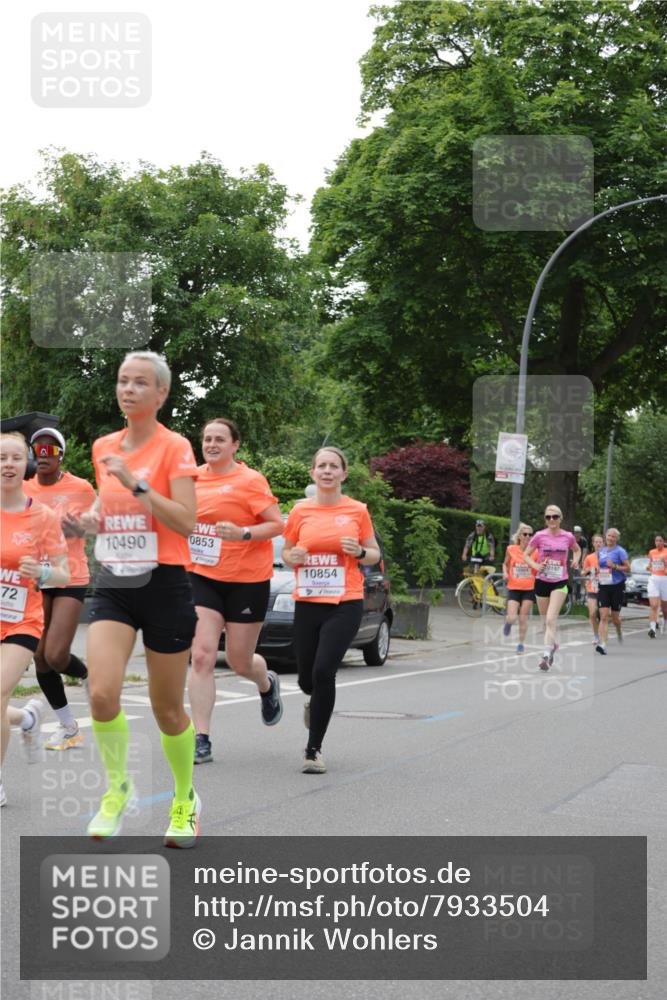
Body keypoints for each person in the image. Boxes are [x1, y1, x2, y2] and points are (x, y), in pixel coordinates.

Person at [81, 351, 201, 847]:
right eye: (122, 381)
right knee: (102, 693)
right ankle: (118, 787)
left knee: (167, 708)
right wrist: (92, 514)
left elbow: (185, 521)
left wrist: (137, 482)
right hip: (114, 581)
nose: (127, 389)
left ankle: (185, 799)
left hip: (165, 582)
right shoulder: (104, 445)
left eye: (140, 383)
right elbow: (104, 501)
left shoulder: (175, 447)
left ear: (161, 394)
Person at [187, 418, 284, 765]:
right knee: (201, 655)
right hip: (202, 576)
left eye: (219, 439)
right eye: (207, 439)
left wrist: (243, 533)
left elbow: (277, 524)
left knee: (240, 661)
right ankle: (201, 738)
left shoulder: (250, 480)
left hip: (246, 579)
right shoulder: (191, 478)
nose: (211, 444)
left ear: (235, 445)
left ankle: (266, 683)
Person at [281, 447, 380, 774]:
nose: (326, 470)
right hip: (308, 601)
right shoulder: (299, 512)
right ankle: (314, 700)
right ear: (312, 473)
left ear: (343, 473)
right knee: (307, 679)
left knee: (325, 671)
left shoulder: (357, 510)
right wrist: (293, 556)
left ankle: (313, 750)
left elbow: (374, 555)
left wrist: (361, 550)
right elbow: (286, 553)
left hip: (345, 601)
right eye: (321, 466)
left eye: (333, 466)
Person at [1, 433, 70, 806]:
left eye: (15, 457)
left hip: (20, 621)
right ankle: (27, 719)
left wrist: (40, 573)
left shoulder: (41, 516)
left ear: (24, 464)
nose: (7, 464)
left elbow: (63, 573)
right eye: (1, 458)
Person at [24, 427, 96, 750]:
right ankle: (68, 727)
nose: (43, 454)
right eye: (37, 448)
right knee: (39, 657)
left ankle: (87, 675)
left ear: (61, 455)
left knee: (55, 653)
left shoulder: (80, 488)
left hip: (71, 574)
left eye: (50, 450)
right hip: (37, 576)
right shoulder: (21, 488)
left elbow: (101, 520)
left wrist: (82, 526)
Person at [531, 505, 581, 672]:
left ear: (560, 518)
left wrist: (576, 559)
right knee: (545, 622)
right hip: (542, 581)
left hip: (560, 581)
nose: (551, 520)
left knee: (551, 620)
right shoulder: (539, 536)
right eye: (548, 517)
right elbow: (525, 554)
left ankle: (546, 656)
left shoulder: (568, 536)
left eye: (554, 517)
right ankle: (552, 645)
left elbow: (577, 549)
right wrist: (535, 565)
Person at [501, 523, 539, 653]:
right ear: (520, 536)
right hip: (514, 587)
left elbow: (539, 566)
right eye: (525, 534)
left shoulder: (536, 551)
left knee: (523, 617)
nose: (528, 536)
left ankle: (521, 644)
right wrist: (505, 573)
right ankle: (508, 623)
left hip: (529, 588)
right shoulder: (511, 549)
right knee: (512, 617)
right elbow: (505, 564)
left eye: (530, 534)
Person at [595, 528, 629, 655]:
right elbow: (600, 565)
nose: (610, 538)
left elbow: (627, 567)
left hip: (617, 586)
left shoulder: (620, 551)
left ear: (616, 539)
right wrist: (597, 572)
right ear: (606, 536)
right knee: (603, 616)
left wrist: (615, 566)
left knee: (615, 618)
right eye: (609, 535)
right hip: (603, 585)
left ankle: (619, 629)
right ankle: (603, 644)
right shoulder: (601, 550)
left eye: (613, 536)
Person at [581, 533, 603, 645]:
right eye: (596, 542)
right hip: (592, 588)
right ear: (593, 543)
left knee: (602, 615)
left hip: (604, 589)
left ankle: (602, 633)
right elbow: (583, 572)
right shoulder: (589, 557)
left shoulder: (608, 557)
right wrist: (588, 570)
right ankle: (596, 635)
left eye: (600, 542)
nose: (598, 544)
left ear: (603, 543)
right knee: (592, 614)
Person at [647, 533, 667, 638]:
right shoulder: (651, 552)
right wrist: (649, 568)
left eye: (660, 541)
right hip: (654, 579)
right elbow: (650, 566)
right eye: (656, 541)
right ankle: (652, 629)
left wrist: (665, 563)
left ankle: (665, 621)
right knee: (653, 605)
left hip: (665, 580)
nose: (658, 543)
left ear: (664, 542)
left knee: (665, 608)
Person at [571, 526, 589, 600]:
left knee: (579, 577)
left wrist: (582, 561)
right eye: (575, 533)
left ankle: (579, 596)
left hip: (579, 560)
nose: (577, 534)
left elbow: (584, 552)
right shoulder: (571, 540)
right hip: (572, 559)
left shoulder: (583, 541)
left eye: (578, 533)